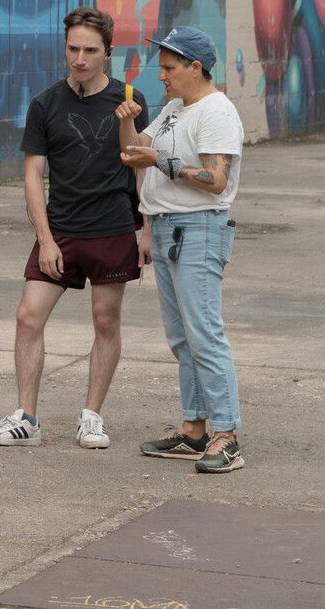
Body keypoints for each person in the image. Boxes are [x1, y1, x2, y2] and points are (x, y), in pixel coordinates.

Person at [0, 7, 141, 450]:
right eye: (73, 48)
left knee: (105, 321)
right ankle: (27, 418)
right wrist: (46, 239)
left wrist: (144, 230)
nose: (80, 58)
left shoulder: (130, 99)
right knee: (28, 316)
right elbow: (34, 177)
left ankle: (91, 416)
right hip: (64, 230)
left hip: (112, 227)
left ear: (108, 52)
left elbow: (140, 169)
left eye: (90, 50)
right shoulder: (46, 104)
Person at [118, 26, 247, 474]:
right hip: (169, 229)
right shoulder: (176, 108)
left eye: (170, 68)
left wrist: (160, 162)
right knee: (182, 338)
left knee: (205, 334)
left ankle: (226, 435)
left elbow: (216, 180)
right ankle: (194, 432)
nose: (162, 76)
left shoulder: (216, 112)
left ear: (196, 67)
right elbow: (135, 153)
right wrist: (126, 120)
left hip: (200, 230)